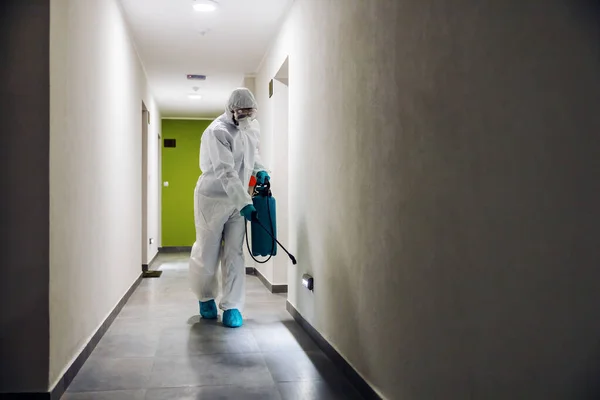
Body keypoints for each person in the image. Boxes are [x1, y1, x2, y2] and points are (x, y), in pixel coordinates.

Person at [189, 88, 270, 328]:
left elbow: (252, 154)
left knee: (234, 253)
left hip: (239, 199)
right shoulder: (217, 131)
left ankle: (233, 305)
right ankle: (205, 297)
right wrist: (245, 203)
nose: (246, 116)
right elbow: (226, 171)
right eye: (242, 112)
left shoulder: (252, 127)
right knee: (208, 251)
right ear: (231, 110)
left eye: (250, 112)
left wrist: (261, 170)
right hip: (212, 199)